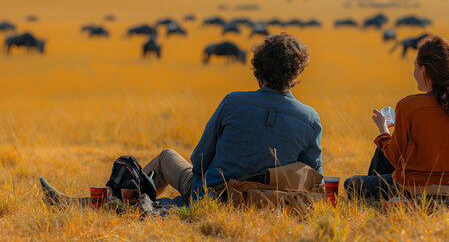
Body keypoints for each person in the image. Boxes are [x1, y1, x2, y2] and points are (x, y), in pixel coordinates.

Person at [41, 32, 323, 205]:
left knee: (166, 157)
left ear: (256, 69)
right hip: (269, 203)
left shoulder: (233, 102)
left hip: (213, 198)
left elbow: (199, 159)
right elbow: (312, 178)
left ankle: (104, 203)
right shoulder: (311, 119)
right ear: (296, 75)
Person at [344, 35, 449, 200]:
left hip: (417, 187)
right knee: (381, 152)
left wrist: (383, 129)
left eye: (415, 65)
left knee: (351, 184)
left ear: (424, 70)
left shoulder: (409, 106)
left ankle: (375, 201)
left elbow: (396, 158)